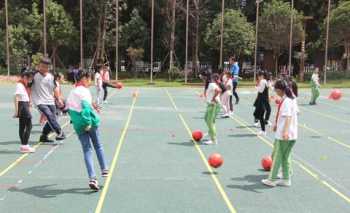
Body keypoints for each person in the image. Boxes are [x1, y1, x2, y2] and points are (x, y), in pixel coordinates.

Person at [66, 69, 109, 191]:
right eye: (89, 79)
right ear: (84, 79)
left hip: (78, 125)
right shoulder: (84, 91)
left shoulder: (72, 92)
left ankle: (92, 178)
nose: (90, 81)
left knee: (86, 150)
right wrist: (88, 123)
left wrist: (93, 105)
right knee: (98, 145)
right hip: (89, 123)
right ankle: (104, 168)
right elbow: (85, 108)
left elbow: (70, 109)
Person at [262, 79, 298, 187]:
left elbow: (288, 117)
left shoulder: (287, 101)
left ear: (279, 90)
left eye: (275, 90)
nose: (275, 92)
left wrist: (285, 131)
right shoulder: (290, 99)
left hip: (285, 135)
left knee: (277, 157)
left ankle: (272, 179)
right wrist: (277, 125)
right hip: (292, 134)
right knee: (285, 157)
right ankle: (286, 179)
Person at [31, 57, 66, 142]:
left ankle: (44, 136)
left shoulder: (51, 76)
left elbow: (55, 88)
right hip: (39, 101)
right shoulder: (33, 75)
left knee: (52, 118)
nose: (44, 68)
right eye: (42, 66)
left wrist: (58, 99)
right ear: (39, 66)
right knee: (49, 116)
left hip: (50, 101)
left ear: (49, 67)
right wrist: (28, 100)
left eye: (46, 67)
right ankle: (60, 132)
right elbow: (27, 86)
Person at [14, 71, 35, 153]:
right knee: (29, 125)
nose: (30, 81)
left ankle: (23, 145)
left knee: (22, 126)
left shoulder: (23, 85)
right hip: (23, 105)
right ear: (25, 77)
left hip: (24, 105)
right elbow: (16, 98)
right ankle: (24, 145)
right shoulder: (20, 85)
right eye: (30, 79)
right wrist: (16, 111)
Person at [203, 73, 222, 145]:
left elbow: (219, 90)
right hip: (212, 104)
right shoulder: (212, 84)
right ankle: (210, 132)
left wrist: (213, 98)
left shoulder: (212, 84)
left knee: (210, 121)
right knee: (206, 119)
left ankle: (213, 139)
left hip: (213, 105)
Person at [253, 71, 269, 136]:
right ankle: (263, 130)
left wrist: (256, 87)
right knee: (259, 115)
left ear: (261, 76)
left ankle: (263, 131)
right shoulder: (264, 81)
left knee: (261, 115)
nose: (258, 77)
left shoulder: (263, 81)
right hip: (262, 100)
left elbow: (261, 90)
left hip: (262, 100)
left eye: (258, 76)